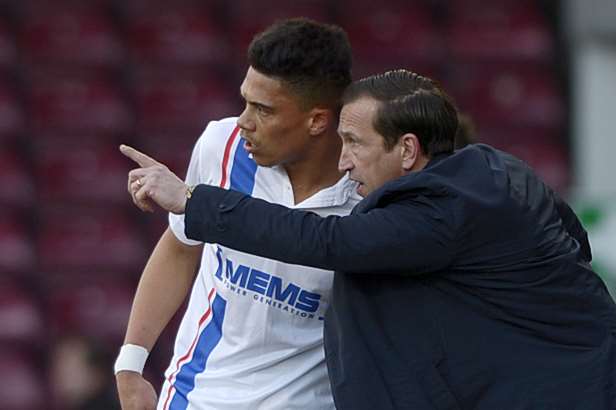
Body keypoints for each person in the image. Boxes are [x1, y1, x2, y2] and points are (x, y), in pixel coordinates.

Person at [122, 69, 616, 409]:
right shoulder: (491, 168)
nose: (342, 161)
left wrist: (193, 200)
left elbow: (324, 241)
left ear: (407, 149)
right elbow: (575, 238)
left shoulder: (437, 216)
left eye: (354, 143)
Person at [115, 18, 359, 410]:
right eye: (245, 100)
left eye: (263, 110)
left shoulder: (368, 194)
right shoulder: (223, 145)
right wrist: (130, 365)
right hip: (196, 397)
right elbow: (180, 247)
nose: (244, 121)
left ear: (317, 120)